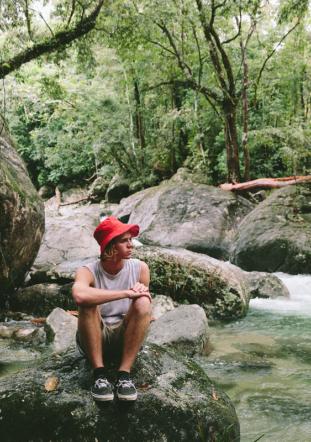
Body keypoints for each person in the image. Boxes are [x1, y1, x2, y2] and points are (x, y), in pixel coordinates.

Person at [72, 216, 151, 402]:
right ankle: (99, 375)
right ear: (110, 246)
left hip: (126, 337)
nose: (131, 245)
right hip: (95, 338)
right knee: (87, 303)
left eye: (131, 239)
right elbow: (79, 296)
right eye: (125, 240)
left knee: (143, 301)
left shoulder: (140, 268)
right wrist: (125, 293)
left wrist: (138, 295)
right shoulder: (87, 270)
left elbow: (146, 307)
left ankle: (124, 375)